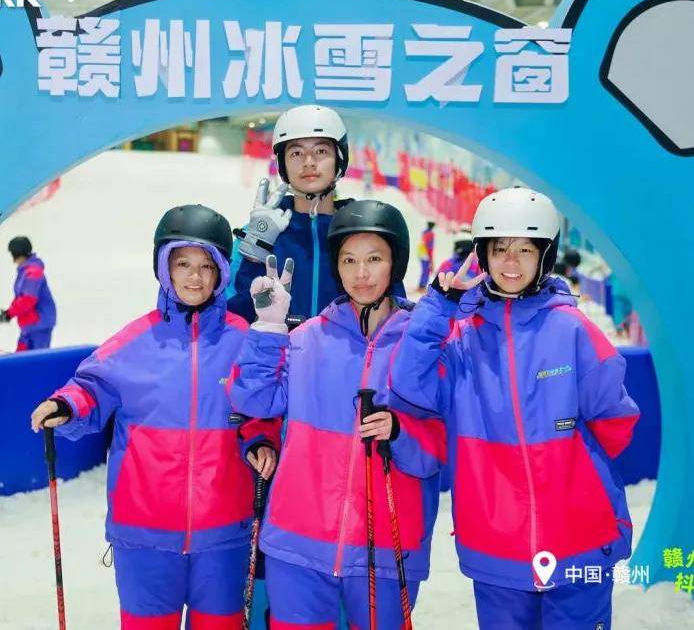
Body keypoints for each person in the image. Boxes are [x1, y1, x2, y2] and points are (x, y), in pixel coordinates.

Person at [391, 187, 640, 629]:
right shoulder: (461, 336)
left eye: (525, 249)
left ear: (545, 255)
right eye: (499, 249)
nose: (511, 262)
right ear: (482, 255)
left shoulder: (572, 329)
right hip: (496, 546)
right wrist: (439, 308)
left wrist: (574, 471)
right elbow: (410, 387)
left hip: (580, 539)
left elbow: (615, 421)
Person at [30, 204, 281, 629]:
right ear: (164, 268)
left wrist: (261, 439)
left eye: (206, 266)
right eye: (183, 264)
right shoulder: (136, 339)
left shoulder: (244, 339)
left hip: (223, 531)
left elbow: (261, 407)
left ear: (222, 272)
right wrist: (66, 405)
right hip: (144, 531)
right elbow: (92, 387)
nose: (195, 277)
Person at [232, 200, 446, 628]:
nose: (361, 273)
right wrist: (270, 328)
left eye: (374, 259)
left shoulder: (423, 344)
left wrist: (400, 432)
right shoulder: (307, 338)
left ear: (396, 262)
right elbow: (253, 401)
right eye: (349, 260)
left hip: (384, 548)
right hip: (298, 544)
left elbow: (436, 452)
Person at [227, 104, 352, 324]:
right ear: (282, 163)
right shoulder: (261, 231)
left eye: (321, 151)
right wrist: (252, 257)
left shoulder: (359, 229)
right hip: (275, 346)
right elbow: (234, 317)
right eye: (296, 153)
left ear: (339, 158)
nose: (309, 162)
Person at [1, 236, 56, 351]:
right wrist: (8, 312)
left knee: (36, 359)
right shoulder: (25, 271)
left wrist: (9, 313)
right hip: (29, 325)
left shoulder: (33, 272)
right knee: (21, 358)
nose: (13, 260)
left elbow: (28, 299)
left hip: (39, 325)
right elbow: (20, 297)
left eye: (14, 255)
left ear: (18, 254)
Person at [416, 221, 436, 292]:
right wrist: (431, 259)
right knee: (426, 271)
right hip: (426, 255)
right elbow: (429, 247)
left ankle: (421, 285)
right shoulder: (431, 234)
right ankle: (422, 286)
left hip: (420, 253)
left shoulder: (424, 232)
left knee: (424, 270)